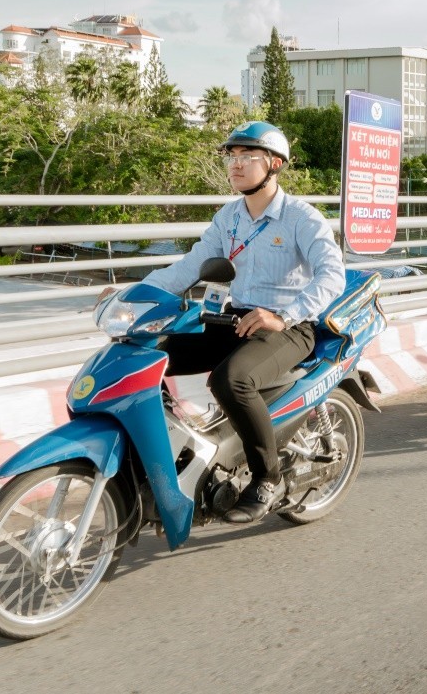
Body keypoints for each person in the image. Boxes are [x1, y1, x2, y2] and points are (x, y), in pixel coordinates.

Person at [137, 122, 346, 524]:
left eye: (247, 157)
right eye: (231, 156)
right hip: (233, 317)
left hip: (287, 326)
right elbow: (188, 267)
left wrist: (282, 316)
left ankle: (266, 479)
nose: (235, 164)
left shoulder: (302, 218)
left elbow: (332, 276)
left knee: (230, 380)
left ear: (274, 165)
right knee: (147, 356)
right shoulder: (229, 216)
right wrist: (131, 292)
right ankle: (176, 455)